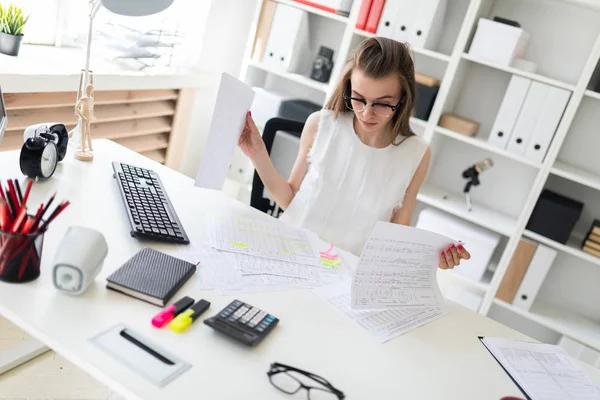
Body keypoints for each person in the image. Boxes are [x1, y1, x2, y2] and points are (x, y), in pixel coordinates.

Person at [238, 36, 470, 269]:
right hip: (293, 251)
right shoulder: (321, 125)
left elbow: (397, 234)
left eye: (381, 103)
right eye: (358, 98)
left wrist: (430, 257)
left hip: (350, 271)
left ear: (402, 98)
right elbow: (291, 200)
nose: (366, 113)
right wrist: (257, 153)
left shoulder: (416, 153)